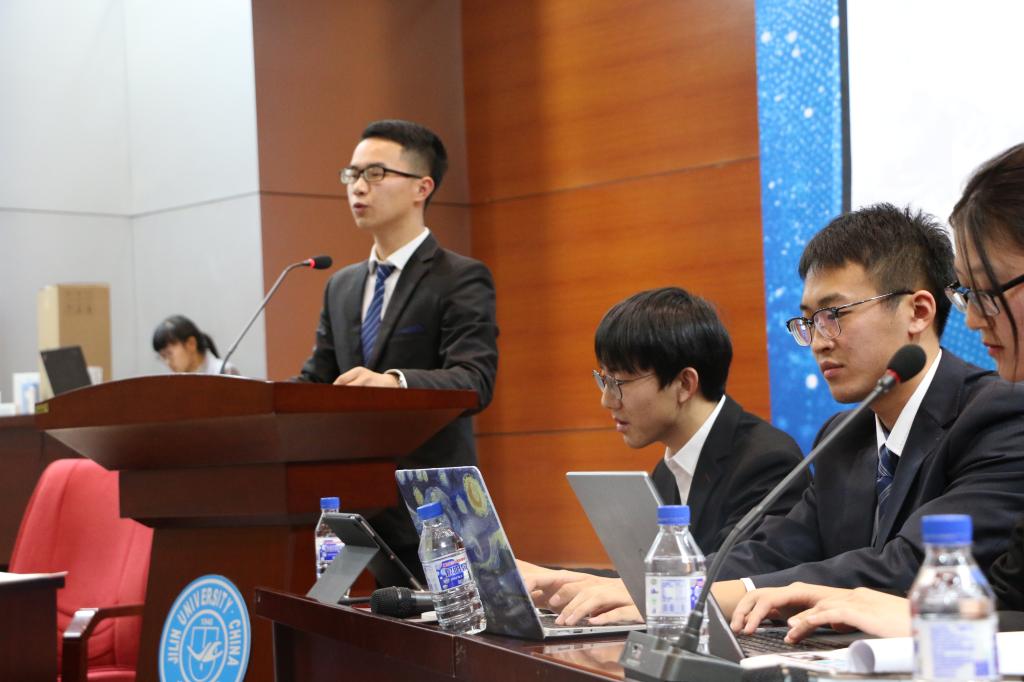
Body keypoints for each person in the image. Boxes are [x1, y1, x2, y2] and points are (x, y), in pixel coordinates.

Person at [731, 143, 1024, 642]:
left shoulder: (1000, 414)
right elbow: (775, 552)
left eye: (834, 315)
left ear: (918, 312)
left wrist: (918, 619)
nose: (974, 319)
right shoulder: (844, 435)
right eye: (810, 321)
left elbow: (913, 567)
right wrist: (664, 591)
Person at [521, 287, 807, 625]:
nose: (607, 400)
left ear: (684, 384)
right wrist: (554, 581)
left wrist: (575, 582)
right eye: (604, 380)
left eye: (619, 382)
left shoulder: (767, 460)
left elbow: (735, 574)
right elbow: (648, 580)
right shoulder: (667, 470)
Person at [295, 119, 499, 580]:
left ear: (421, 188)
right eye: (352, 174)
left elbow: (474, 380)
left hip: (435, 504)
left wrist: (394, 382)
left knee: (448, 623)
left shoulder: (459, 277)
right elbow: (316, 381)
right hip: (356, 510)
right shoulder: (341, 285)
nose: (357, 187)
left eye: (375, 173)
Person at [152, 314, 240, 375]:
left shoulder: (225, 372)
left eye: (169, 354)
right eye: (163, 357)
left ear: (191, 344)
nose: (168, 362)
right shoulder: (173, 382)